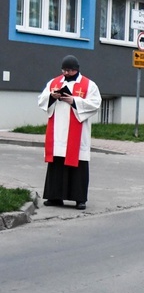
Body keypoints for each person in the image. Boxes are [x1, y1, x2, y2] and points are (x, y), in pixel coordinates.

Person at [38, 55, 102, 211]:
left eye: (69, 70)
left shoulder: (89, 85)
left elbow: (95, 104)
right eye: (64, 70)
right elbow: (41, 99)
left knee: (78, 166)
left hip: (77, 135)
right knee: (57, 164)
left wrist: (74, 101)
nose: (65, 73)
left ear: (76, 70)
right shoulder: (54, 82)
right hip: (58, 132)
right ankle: (55, 197)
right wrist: (52, 97)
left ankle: (79, 199)